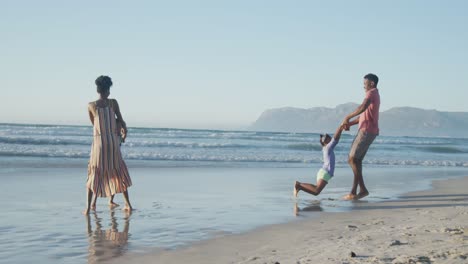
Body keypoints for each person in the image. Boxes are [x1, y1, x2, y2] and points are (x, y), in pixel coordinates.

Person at [83, 75, 133, 214]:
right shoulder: (113, 103)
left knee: (94, 174)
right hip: (112, 142)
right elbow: (121, 121)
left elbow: (94, 124)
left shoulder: (91, 105)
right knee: (118, 172)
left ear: (97, 89)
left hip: (99, 143)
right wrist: (122, 133)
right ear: (108, 90)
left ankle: (89, 208)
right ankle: (128, 204)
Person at [341, 73, 380, 200]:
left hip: (366, 131)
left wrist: (347, 117)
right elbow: (363, 115)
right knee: (356, 161)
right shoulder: (374, 94)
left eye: (365, 83)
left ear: (372, 83)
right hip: (368, 131)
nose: (363, 86)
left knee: (352, 159)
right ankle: (361, 190)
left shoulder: (371, 93)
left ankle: (355, 191)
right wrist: (350, 123)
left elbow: (362, 107)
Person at [294, 124, 344, 197]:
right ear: (325, 141)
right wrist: (340, 127)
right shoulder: (327, 147)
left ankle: (300, 186)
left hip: (324, 172)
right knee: (316, 191)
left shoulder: (327, 148)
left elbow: (336, 139)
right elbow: (335, 139)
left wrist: (341, 129)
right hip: (325, 172)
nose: (330, 137)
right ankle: (299, 185)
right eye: (327, 137)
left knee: (316, 191)